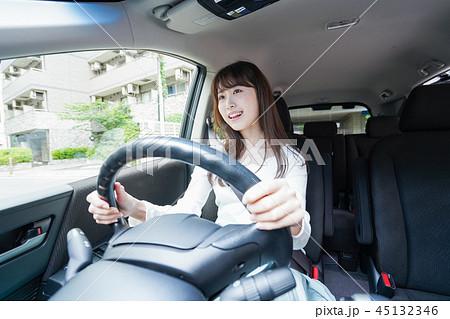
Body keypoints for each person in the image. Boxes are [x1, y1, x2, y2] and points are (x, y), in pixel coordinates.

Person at [86, 61, 335, 301]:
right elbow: (184, 212)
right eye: (222, 96)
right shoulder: (215, 156)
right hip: (220, 255)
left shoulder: (292, 159)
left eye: (238, 90)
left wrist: (291, 219)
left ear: (261, 96)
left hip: (274, 257)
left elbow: (301, 239)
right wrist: (132, 206)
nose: (229, 103)